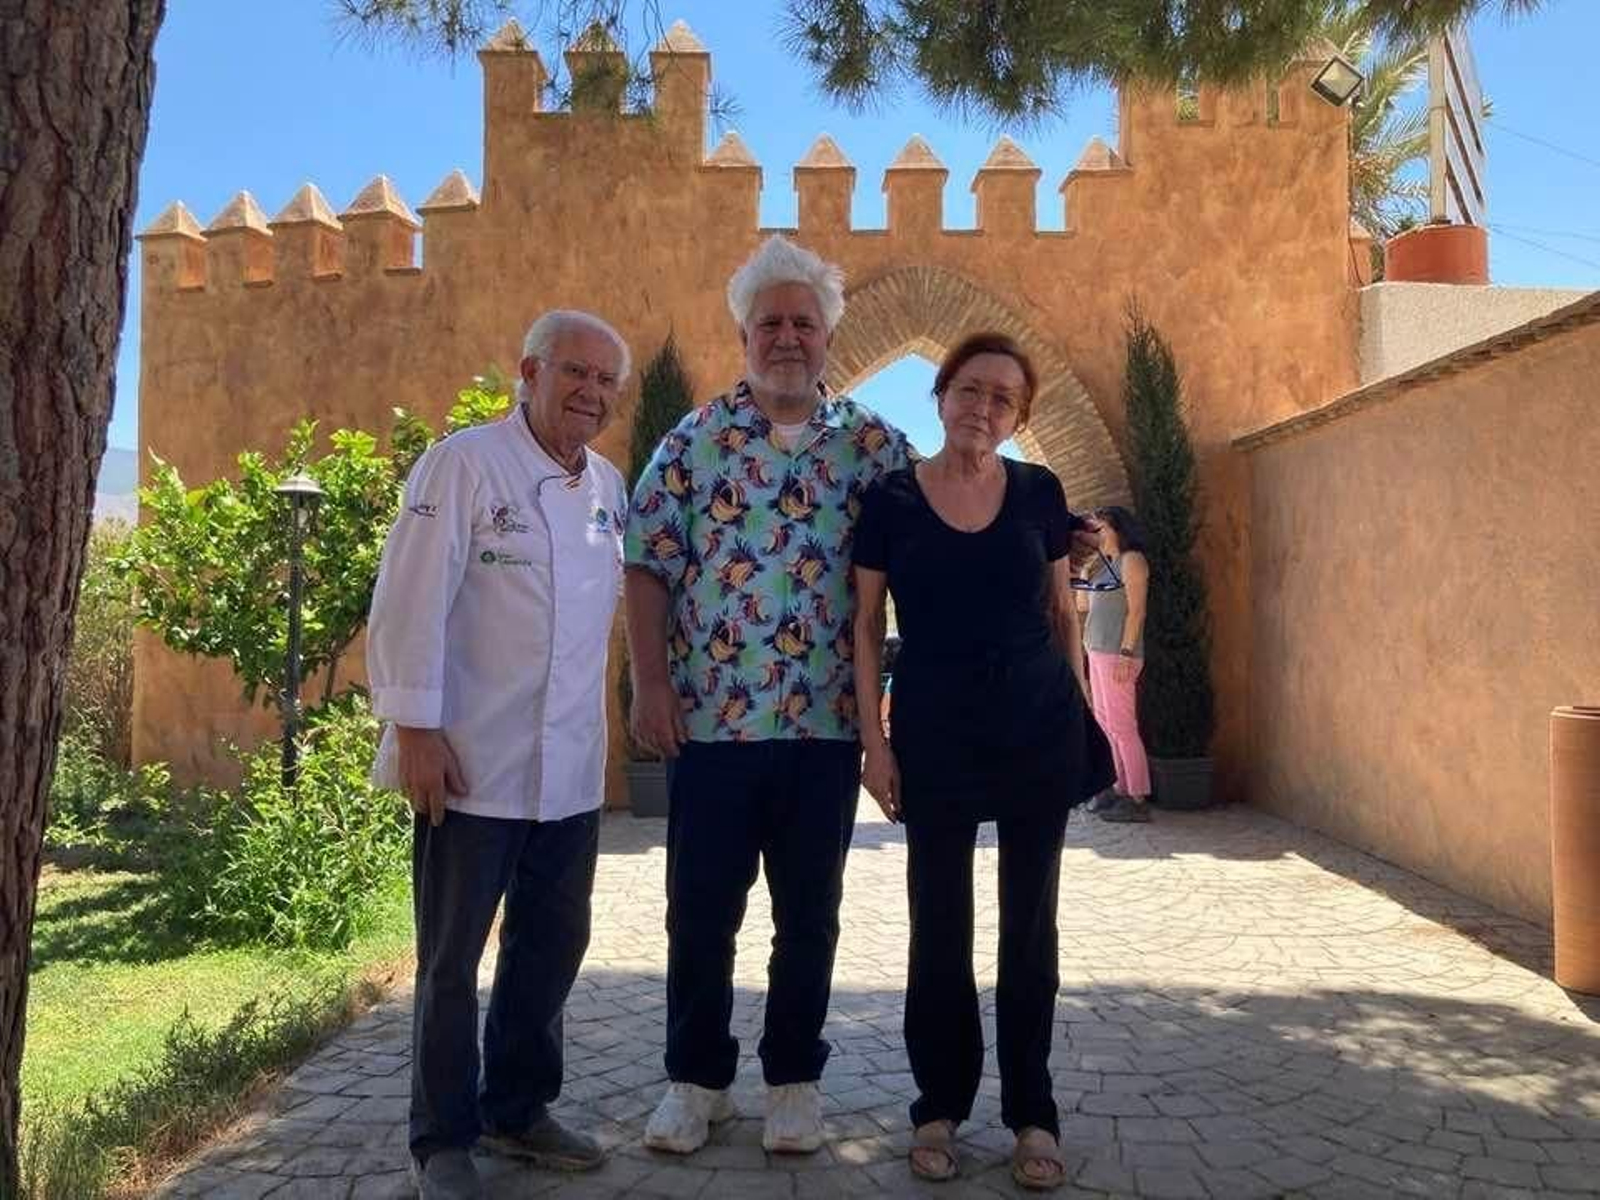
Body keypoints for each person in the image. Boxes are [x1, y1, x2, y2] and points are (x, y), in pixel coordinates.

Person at [624, 235, 912, 1157]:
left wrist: (1051, 533)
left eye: (804, 322)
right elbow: (646, 565)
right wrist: (650, 686)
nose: (787, 337)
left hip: (825, 732)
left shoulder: (873, 447)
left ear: (828, 336)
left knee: (809, 915)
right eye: (769, 323)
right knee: (699, 913)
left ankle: (792, 1080)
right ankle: (696, 1082)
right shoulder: (692, 443)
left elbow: (948, 524)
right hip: (712, 727)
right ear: (744, 335)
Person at [367, 310, 631, 1200]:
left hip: (568, 768)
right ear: (529, 369)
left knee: (551, 946)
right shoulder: (465, 462)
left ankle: (519, 1108)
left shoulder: (607, 487)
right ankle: (441, 1139)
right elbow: (408, 597)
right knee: (450, 961)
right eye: (575, 373)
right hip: (469, 760)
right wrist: (414, 730)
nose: (590, 393)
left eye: (605, 382)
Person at [851, 332, 1114, 1191]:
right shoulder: (890, 498)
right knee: (940, 925)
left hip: (1035, 723)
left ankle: (1032, 1110)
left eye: (1004, 398)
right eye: (971, 390)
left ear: (1019, 416)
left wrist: (1078, 710)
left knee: (1030, 928)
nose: (984, 408)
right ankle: (939, 1103)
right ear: (941, 395)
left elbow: (1061, 609)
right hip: (933, 730)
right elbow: (863, 628)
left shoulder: (1039, 491)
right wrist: (874, 743)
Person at [1080, 507, 1152, 823]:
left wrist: (1125, 653)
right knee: (1106, 724)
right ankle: (1118, 789)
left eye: (1101, 529)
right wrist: (1081, 570)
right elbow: (1082, 604)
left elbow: (1137, 612)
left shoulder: (1131, 560)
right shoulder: (1104, 567)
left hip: (1117, 654)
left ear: (1117, 530)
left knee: (1123, 726)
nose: (1097, 536)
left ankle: (1137, 796)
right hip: (1097, 651)